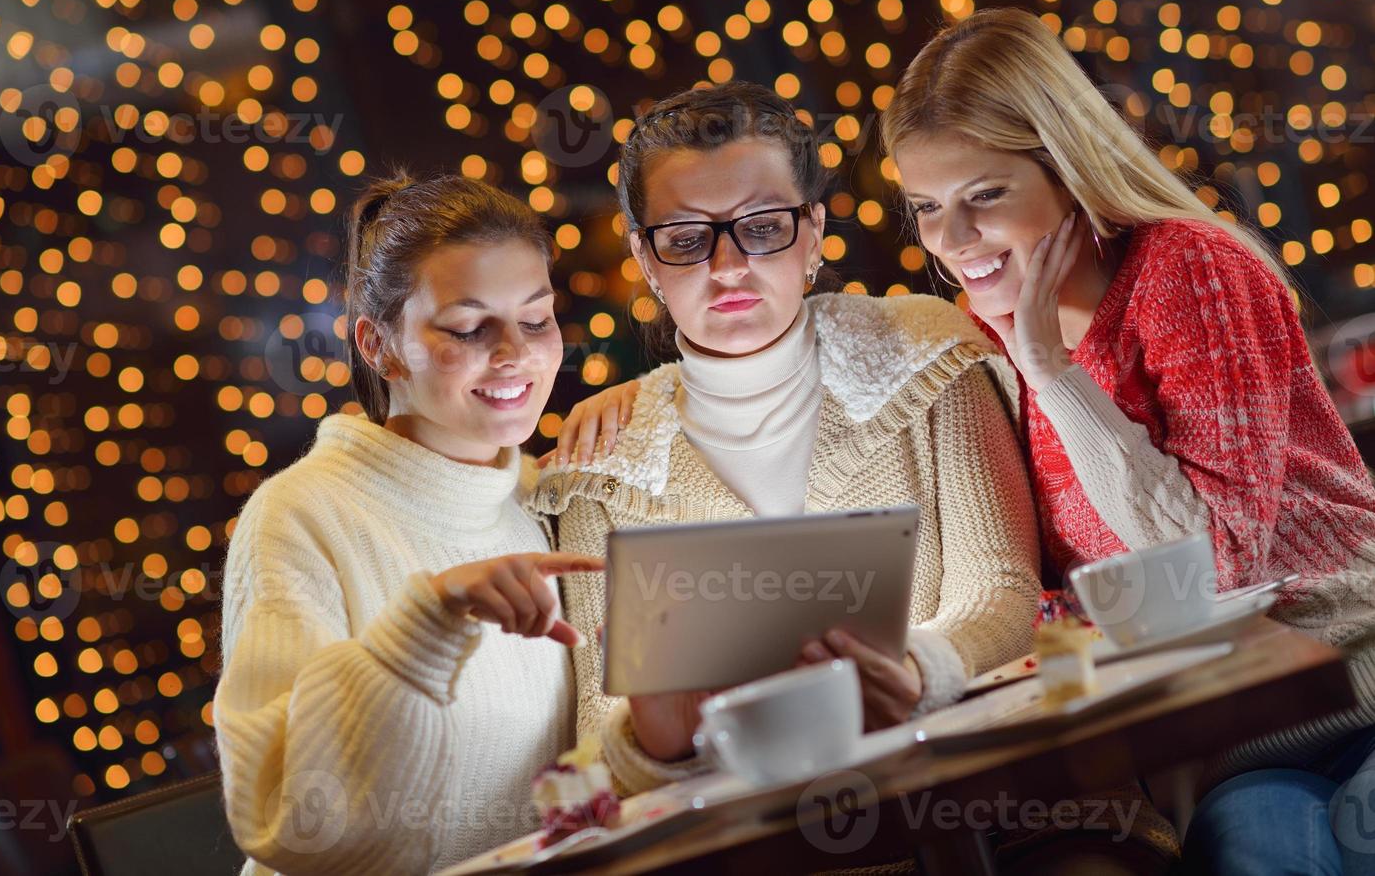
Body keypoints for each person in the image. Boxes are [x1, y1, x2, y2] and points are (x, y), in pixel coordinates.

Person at [877, 7, 1375, 873]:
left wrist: (1054, 373)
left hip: (1349, 681)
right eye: (926, 208)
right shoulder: (980, 338)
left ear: (1066, 173)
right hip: (1227, 746)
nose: (952, 244)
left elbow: (1215, 564)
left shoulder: (1185, 268)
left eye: (984, 196)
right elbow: (1064, 593)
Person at [532, 81, 1043, 800]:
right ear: (645, 260)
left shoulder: (928, 354)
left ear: (812, 231)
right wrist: (656, 735)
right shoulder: (601, 465)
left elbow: (1006, 589)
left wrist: (921, 669)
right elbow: (598, 724)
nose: (727, 267)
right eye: (684, 240)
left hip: (982, 809)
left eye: (762, 226)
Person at [213, 171, 604, 875]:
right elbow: (286, 820)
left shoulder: (540, 497)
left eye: (536, 318)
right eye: (467, 326)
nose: (515, 352)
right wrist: (425, 624)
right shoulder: (299, 516)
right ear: (378, 345)